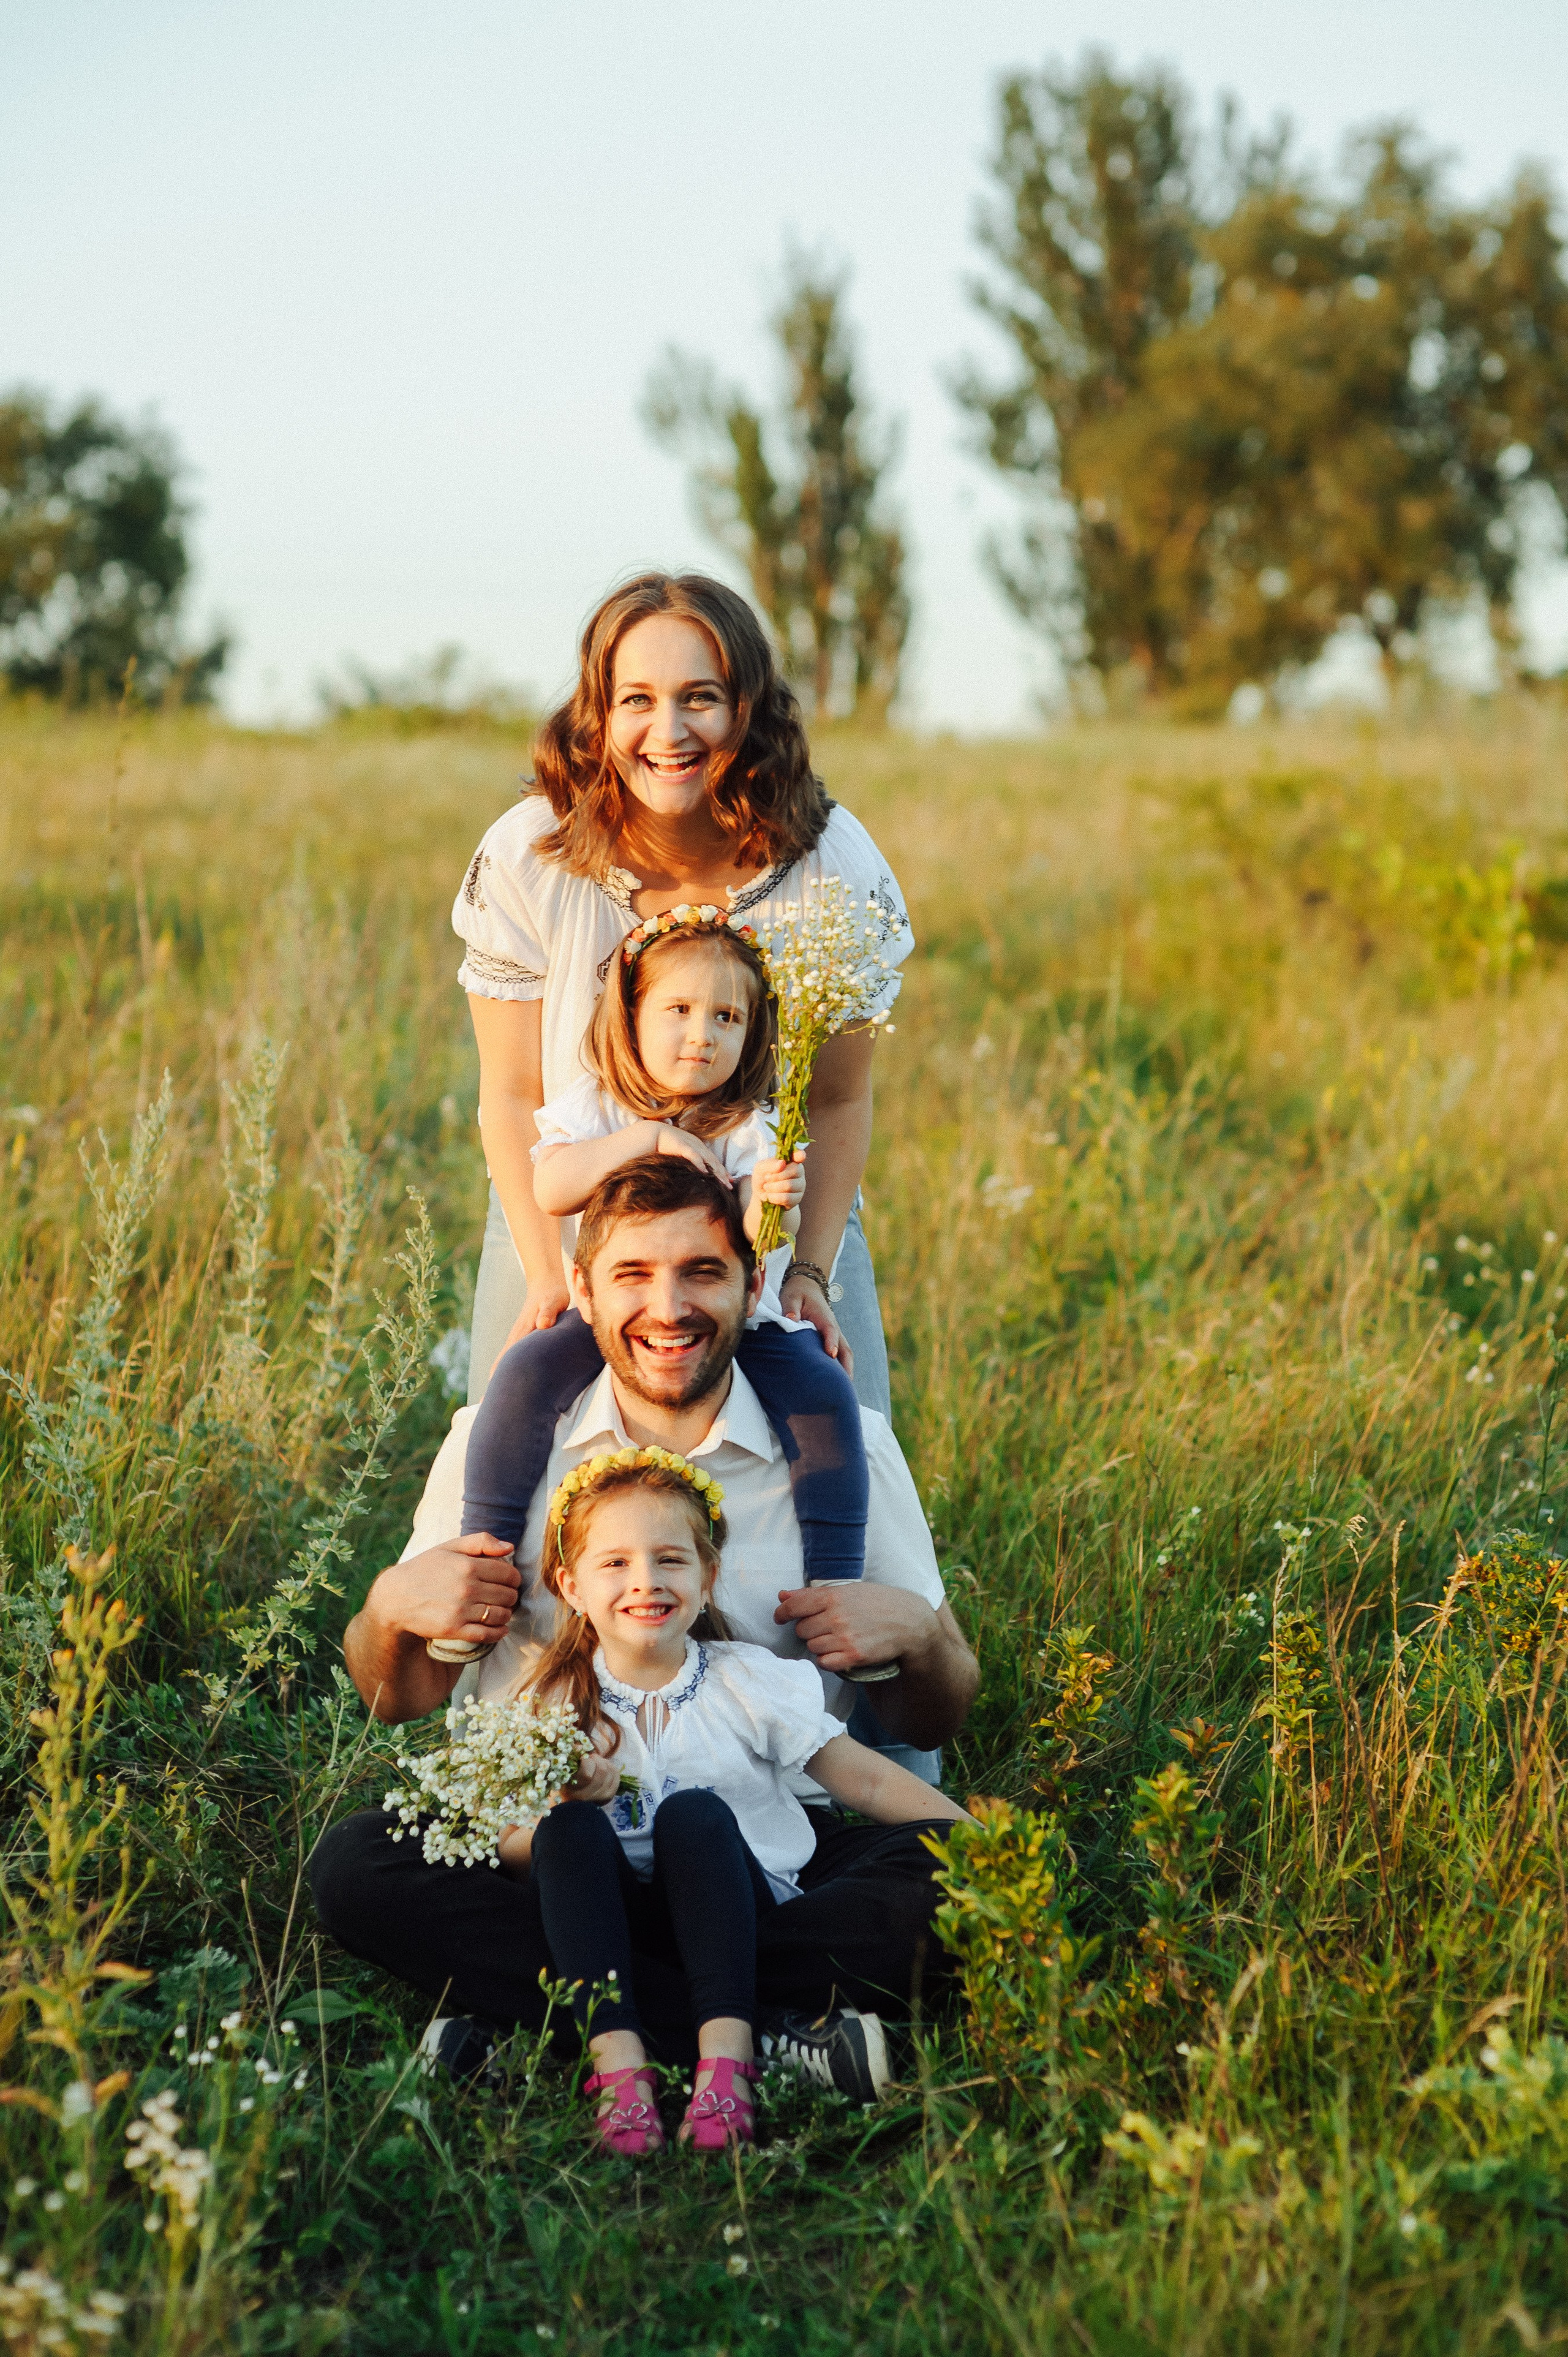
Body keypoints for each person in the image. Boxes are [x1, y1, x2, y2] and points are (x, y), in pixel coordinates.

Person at [310, 1159, 978, 2092]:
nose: (668, 1309)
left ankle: (554, 2021)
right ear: (580, 1288)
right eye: (632, 1275)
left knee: (955, 1878)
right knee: (355, 1868)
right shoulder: (494, 1446)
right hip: (549, 1848)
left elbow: (930, 1722)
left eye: (703, 1271)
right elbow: (397, 1697)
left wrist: (925, 1637)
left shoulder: (843, 1449)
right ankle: (766, 2030)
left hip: (770, 1843)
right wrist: (385, 1613)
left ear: (754, 1285)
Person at [450, 569, 913, 1419]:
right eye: (637, 700)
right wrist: (552, 1278)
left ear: (748, 709)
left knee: (839, 1438)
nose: (667, 731)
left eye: (700, 697)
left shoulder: (829, 867)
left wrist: (807, 1270)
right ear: (598, 712)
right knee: (517, 1462)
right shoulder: (529, 854)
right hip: (569, 1199)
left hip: (771, 1208)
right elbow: (514, 1096)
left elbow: (840, 1102)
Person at [498, 1449, 971, 2156]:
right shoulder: (550, 1700)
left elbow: (865, 1781)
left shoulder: (747, 1679)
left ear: (708, 1574)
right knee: (563, 1829)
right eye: (615, 1563)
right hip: (613, 1919)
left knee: (696, 1814)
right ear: (569, 1583)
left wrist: (976, 1840)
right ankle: (620, 2069)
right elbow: (507, 1844)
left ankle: (726, 2063)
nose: (646, 1582)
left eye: (670, 1560)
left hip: (741, 1905)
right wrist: (567, 1796)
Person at [450, 906, 872, 1643]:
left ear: (750, 1036)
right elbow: (553, 1189)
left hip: (735, 1316)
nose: (701, 1033)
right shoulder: (599, 1104)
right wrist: (646, 1137)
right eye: (678, 1009)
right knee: (522, 1373)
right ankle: (480, 1551)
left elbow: (754, 1235)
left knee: (823, 1390)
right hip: (616, 1314)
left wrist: (769, 1203)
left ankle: (838, 1580)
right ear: (633, 1012)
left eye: (726, 1016)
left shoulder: (746, 1123)